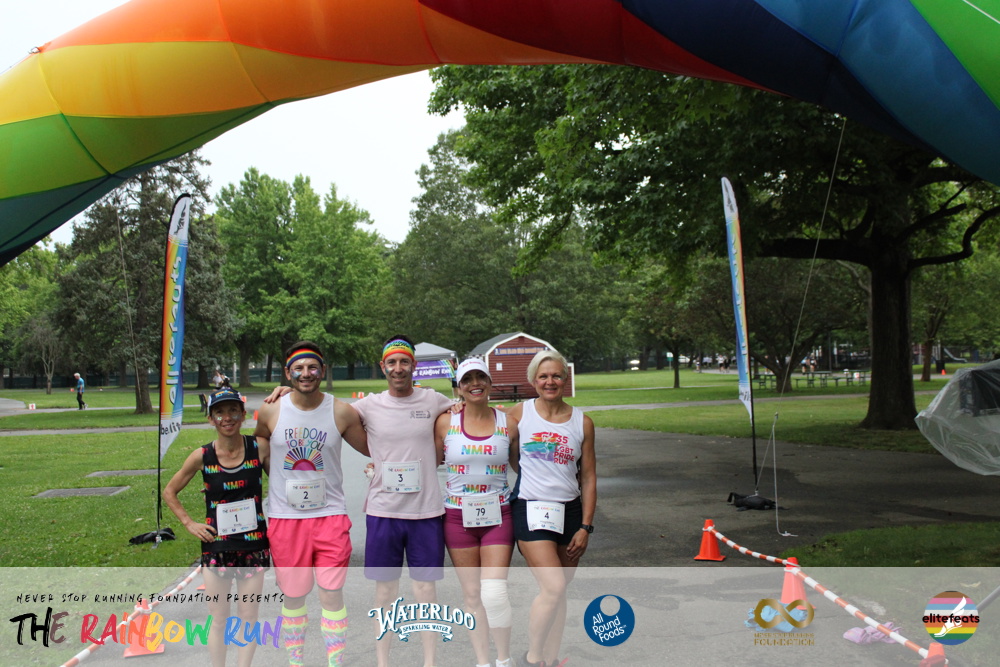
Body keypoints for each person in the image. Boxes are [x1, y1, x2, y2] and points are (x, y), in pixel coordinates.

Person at [254, 341, 369, 667]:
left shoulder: (341, 411)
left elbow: (373, 446)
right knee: (294, 596)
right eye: (299, 368)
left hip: (329, 516)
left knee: (331, 594)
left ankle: (335, 662)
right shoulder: (272, 410)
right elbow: (260, 441)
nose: (306, 374)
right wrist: (270, 470)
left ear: (323, 370)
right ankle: (296, 662)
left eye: (312, 367)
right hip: (285, 518)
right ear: (288, 372)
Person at [353, 335, 456, 667]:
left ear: (414, 365)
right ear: (383, 367)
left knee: (426, 593)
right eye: (392, 362)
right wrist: (285, 392)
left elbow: (466, 409)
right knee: (385, 593)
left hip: (425, 513)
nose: (398, 368)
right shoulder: (368, 405)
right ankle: (383, 662)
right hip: (383, 512)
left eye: (404, 362)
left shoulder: (433, 400)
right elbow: (324, 411)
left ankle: (429, 662)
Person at [163, 387, 269, 667]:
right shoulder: (202, 456)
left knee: (248, 618)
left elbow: (284, 480)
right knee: (219, 619)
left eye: (233, 410)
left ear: (243, 414)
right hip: (217, 548)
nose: (227, 417)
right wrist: (189, 523)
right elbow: (169, 491)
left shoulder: (259, 447)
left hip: (253, 546)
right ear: (210, 419)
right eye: (219, 412)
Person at [508, 350, 597, 667]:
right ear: (533, 380)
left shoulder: (582, 422)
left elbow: (588, 477)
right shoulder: (519, 414)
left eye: (556, 375)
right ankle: (532, 658)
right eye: (543, 376)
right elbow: (491, 434)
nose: (550, 381)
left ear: (565, 379)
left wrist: (585, 527)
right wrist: (457, 407)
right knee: (553, 585)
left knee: (561, 590)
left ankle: (552, 658)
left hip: (570, 513)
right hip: (531, 508)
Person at [435, 357, 519, 667]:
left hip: (498, 516)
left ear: (490, 383)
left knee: (494, 593)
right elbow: (425, 458)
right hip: (457, 519)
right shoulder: (445, 423)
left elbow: (523, 466)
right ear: (458, 387)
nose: (475, 384)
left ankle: (504, 659)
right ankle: (483, 661)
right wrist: (381, 465)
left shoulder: (508, 423)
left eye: (480, 377)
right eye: (467, 379)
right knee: (472, 595)